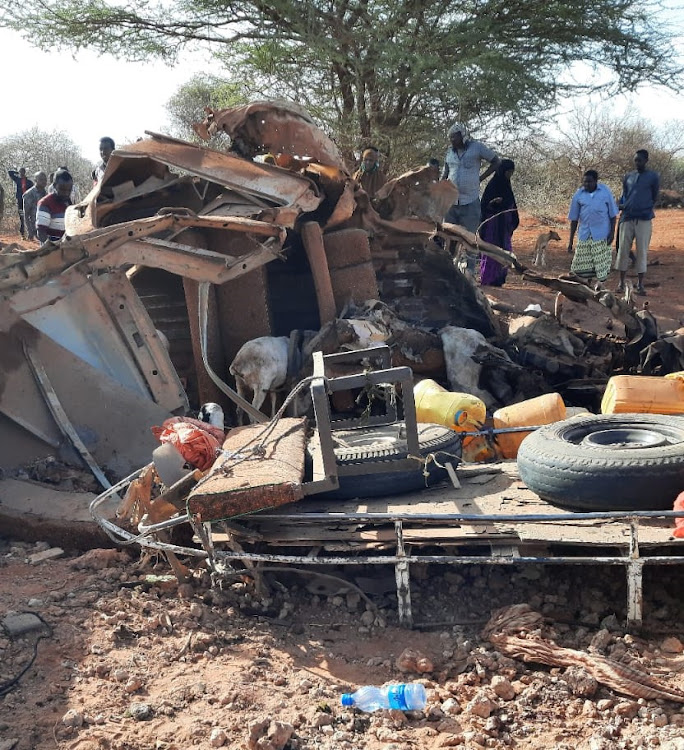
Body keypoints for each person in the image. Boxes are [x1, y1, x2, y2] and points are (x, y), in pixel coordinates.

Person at [441, 123, 500, 270]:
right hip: (451, 203)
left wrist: (480, 178)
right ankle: (449, 271)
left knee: (470, 240)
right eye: (450, 137)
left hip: (470, 202)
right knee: (449, 239)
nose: (452, 140)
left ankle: (470, 273)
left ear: (463, 135)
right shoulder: (449, 152)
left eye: (454, 137)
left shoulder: (477, 148)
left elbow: (496, 161)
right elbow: (445, 173)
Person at [615, 149, 659, 296]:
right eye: (635, 160)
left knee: (642, 251)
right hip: (627, 217)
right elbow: (625, 195)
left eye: (640, 160)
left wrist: (644, 207)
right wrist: (623, 206)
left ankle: (640, 285)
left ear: (646, 160)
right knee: (623, 250)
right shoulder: (628, 176)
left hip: (644, 218)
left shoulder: (652, 177)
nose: (637, 163)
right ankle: (621, 283)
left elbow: (654, 196)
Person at [567, 169, 618, 289]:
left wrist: (612, 233)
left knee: (600, 264)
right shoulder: (578, 195)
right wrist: (570, 241)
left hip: (601, 234)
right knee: (580, 265)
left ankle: (601, 288)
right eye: (585, 182)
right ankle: (586, 287)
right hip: (584, 234)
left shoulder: (605, 192)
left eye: (589, 182)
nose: (587, 184)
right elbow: (574, 219)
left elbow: (613, 215)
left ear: (596, 181)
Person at [478, 159, 519, 287]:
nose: (509, 175)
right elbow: (484, 206)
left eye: (511, 172)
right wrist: (493, 203)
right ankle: (488, 278)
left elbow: (511, 205)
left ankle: (500, 278)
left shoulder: (507, 187)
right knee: (491, 251)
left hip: (504, 227)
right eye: (508, 172)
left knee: (504, 251)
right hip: (492, 226)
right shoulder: (492, 186)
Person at [36, 169, 73, 243]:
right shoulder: (45, 203)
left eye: (69, 190)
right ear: (54, 185)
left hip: (68, 249)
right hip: (52, 251)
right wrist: (52, 249)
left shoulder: (69, 202)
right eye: (62, 190)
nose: (66, 193)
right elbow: (41, 232)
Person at [7, 167, 34, 238]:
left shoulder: (29, 182)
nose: (21, 173)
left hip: (28, 202)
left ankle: (30, 234)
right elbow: (10, 172)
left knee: (28, 217)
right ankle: (22, 234)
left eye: (22, 172)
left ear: (24, 172)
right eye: (20, 172)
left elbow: (33, 192)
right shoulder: (18, 180)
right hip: (20, 202)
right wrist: (17, 172)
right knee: (22, 217)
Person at [22, 171, 49, 241]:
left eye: (45, 179)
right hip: (35, 228)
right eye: (41, 179)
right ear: (35, 180)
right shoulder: (29, 194)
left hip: (46, 227)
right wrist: (30, 231)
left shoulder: (46, 194)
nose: (44, 181)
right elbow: (26, 214)